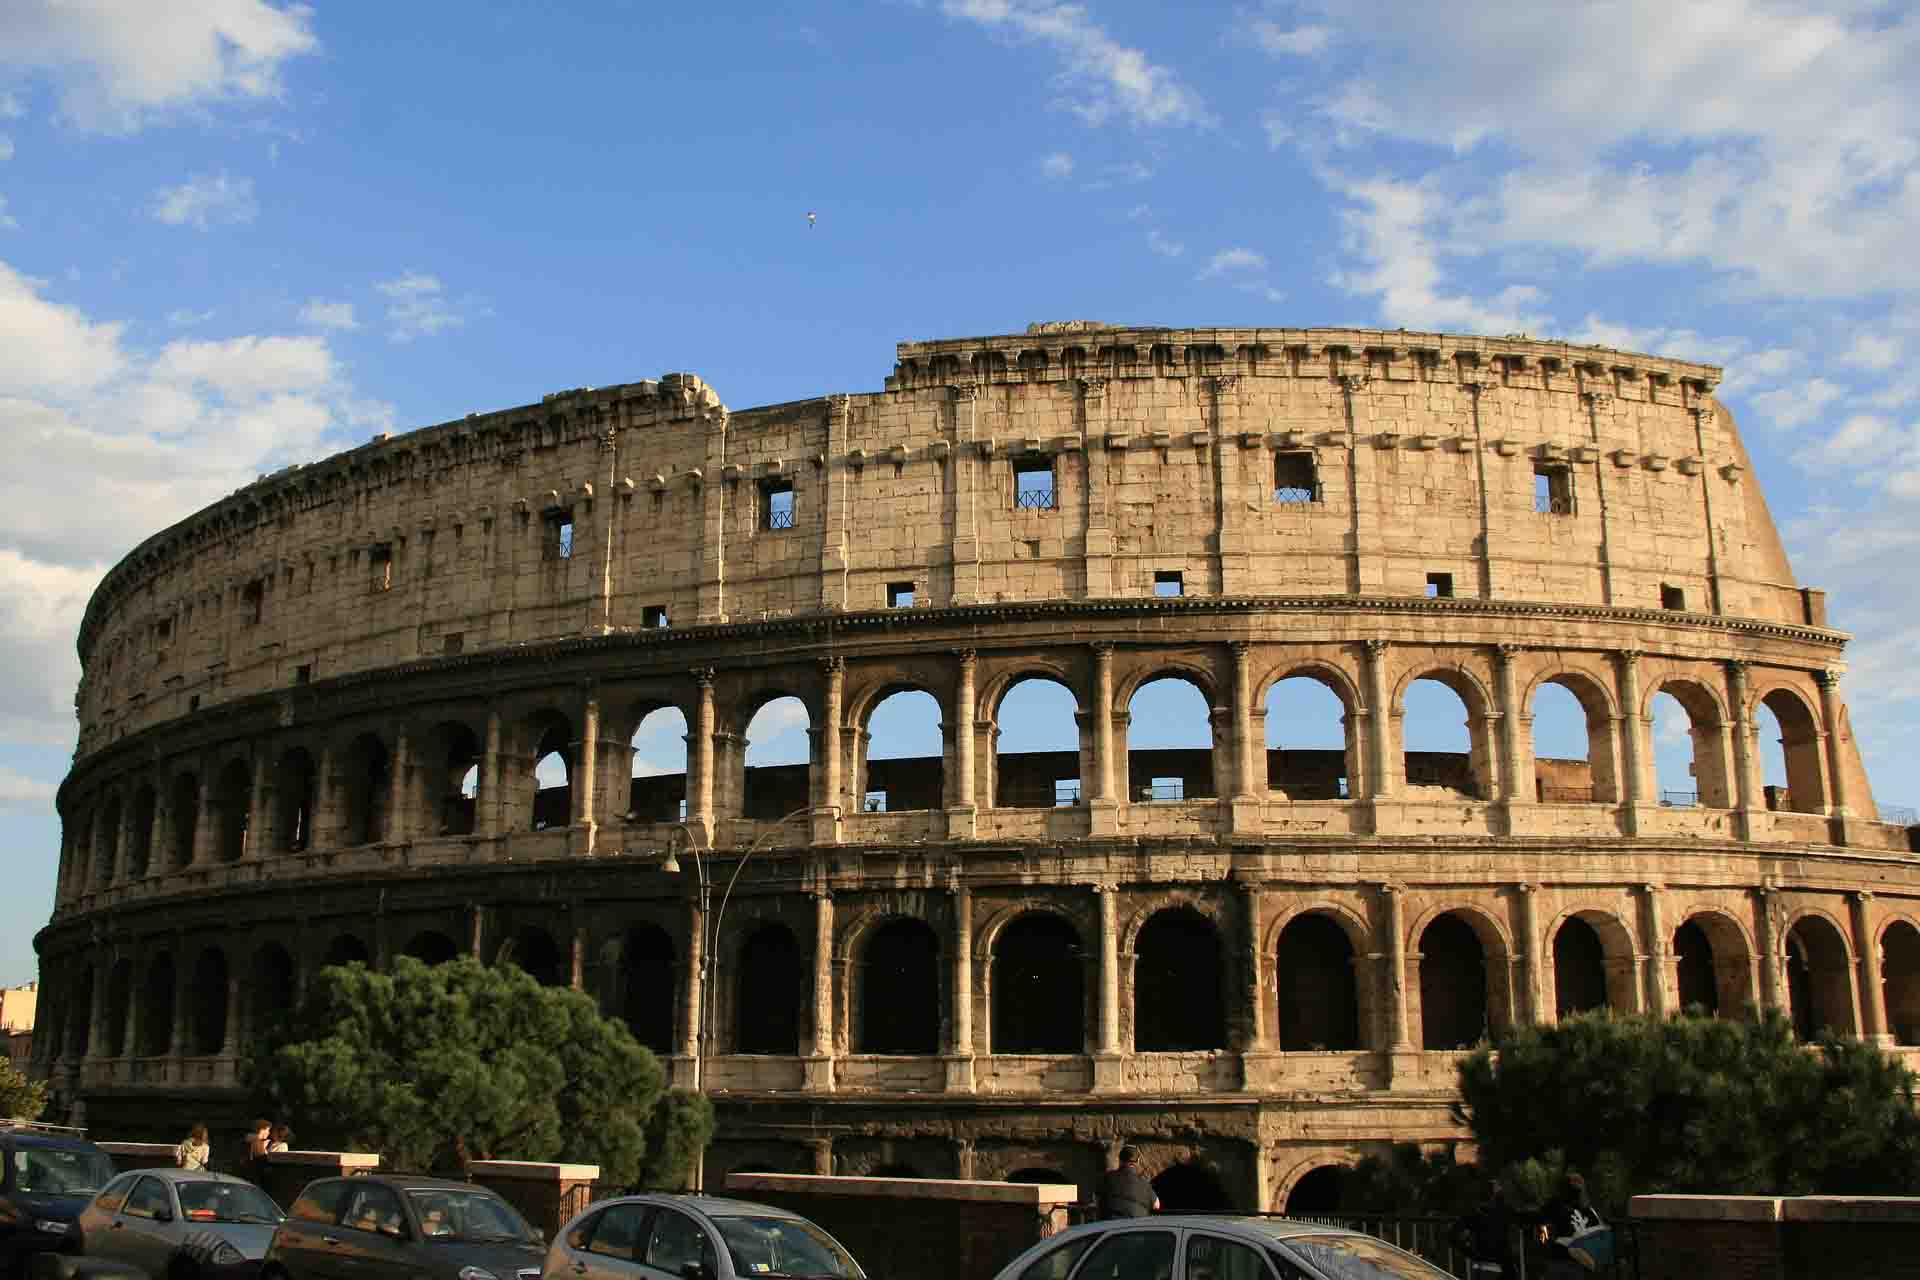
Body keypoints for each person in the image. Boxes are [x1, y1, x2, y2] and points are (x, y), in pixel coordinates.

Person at [1536, 1172, 1609, 1278]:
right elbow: (1541, 1225)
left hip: (1577, 1261)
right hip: (1559, 1258)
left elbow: (1595, 1227)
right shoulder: (1554, 1204)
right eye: (1573, 1182)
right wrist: (1546, 1242)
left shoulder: (1585, 1207)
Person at [1451, 1179, 1517, 1278]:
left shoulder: (1475, 1213)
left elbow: (1452, 1235)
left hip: (1484, 1266)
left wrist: (1471, 1254)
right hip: (1499, 1267)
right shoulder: (1503, 1211)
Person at [1097, 1146, 1159, 1219]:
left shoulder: (1107, 1178)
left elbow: (1096, 1199)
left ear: (1120, 1160)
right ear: (1138, 1161)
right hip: (1135, 1227)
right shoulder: (1144, 1183)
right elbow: (1157, 1205)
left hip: (1110, 1226)